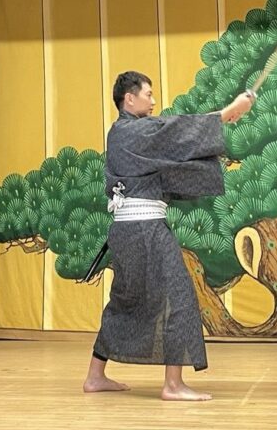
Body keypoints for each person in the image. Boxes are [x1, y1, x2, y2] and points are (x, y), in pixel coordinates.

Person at [83, 71, 254, 401]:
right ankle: (173, 385)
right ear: (129, 98)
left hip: (128, 231)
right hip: (145, 230)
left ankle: (94, 376)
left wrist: (223, 116)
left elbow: (170, 138)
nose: (153, 100)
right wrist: (226, 112)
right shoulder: (132, 131)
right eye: (147, 94)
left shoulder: (123, 133)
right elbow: (172, 132)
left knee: (125, 301)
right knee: (179, 297)